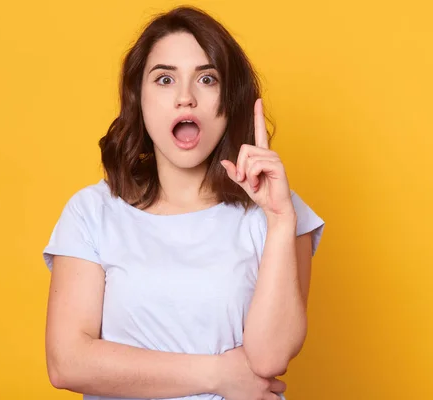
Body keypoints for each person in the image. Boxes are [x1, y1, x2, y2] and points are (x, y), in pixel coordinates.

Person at [41, 6, 325, 400]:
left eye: (207, 79)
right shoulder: (92, 213)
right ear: (138, 98)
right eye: (164, 79)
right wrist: (218, 375)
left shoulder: (278, 210)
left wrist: (279, 220)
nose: (185, 98)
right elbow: (67, 362)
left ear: (230, 99)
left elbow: (271, 358)